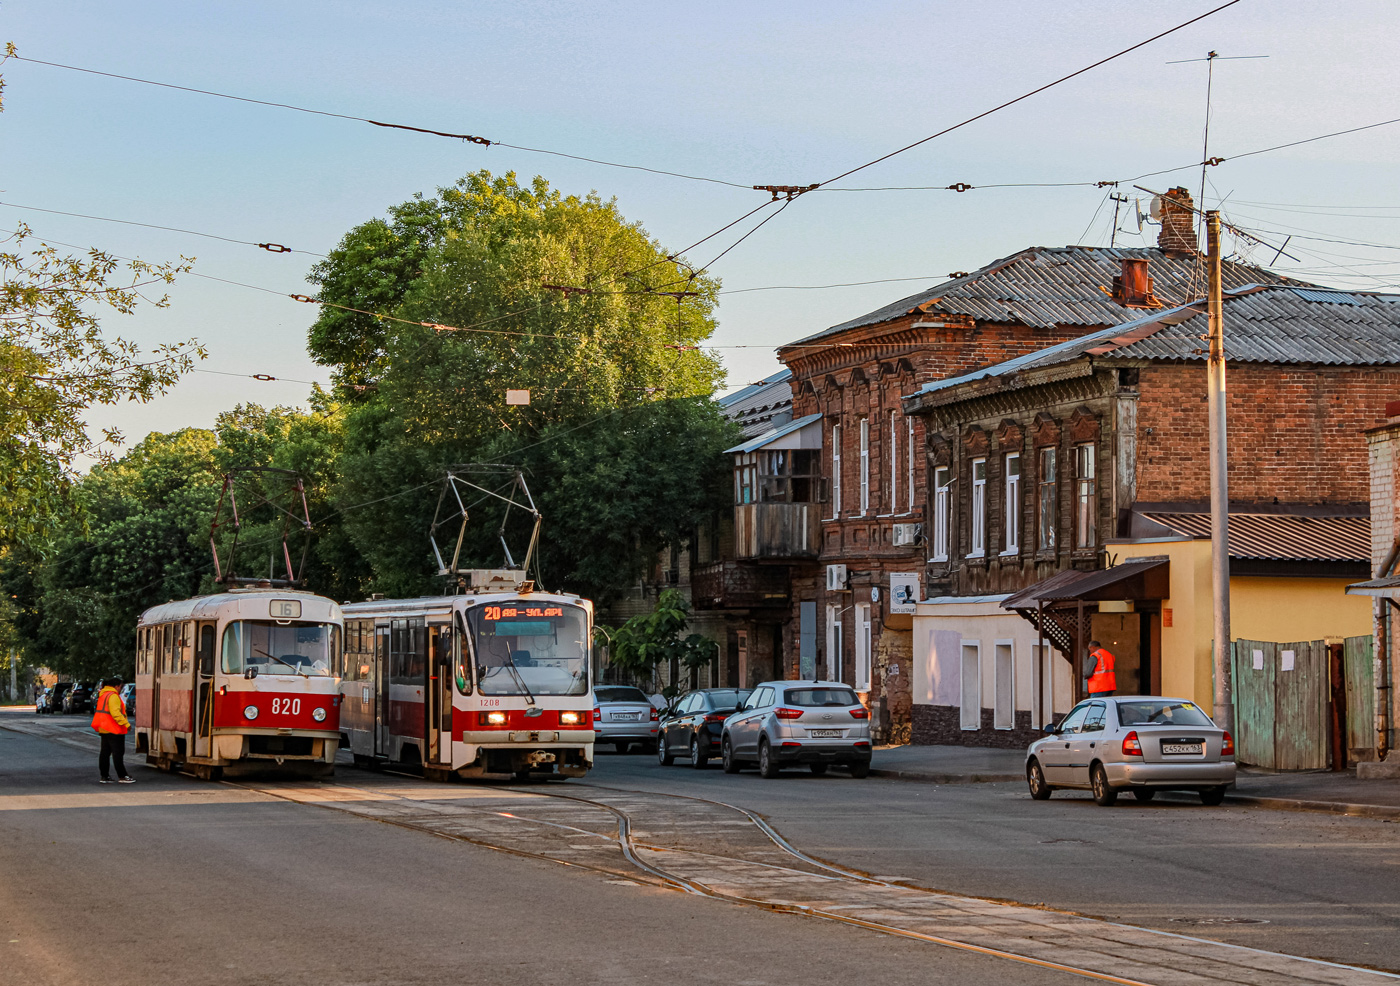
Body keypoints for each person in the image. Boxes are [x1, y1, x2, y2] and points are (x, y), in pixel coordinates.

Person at [91, 677, 135, 784]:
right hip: (114, 729)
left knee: (105, 753)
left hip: (104, 728)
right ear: (116, 686)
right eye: (121, 686)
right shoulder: (113, 696)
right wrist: (126, 724)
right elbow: (115, 713)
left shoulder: (103, 695)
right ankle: (122, 776)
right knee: (118, 753)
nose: (121, 689)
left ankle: (104, 776)